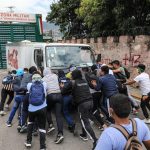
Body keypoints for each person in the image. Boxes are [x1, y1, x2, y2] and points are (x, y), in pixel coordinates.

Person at [71, 69, 97, 150]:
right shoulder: (85, 81)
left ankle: (95, 141)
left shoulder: (73, 82)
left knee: (85, 122)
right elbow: (92, 86)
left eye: (72, 74)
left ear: (74, 75)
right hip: (90, 101)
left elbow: (67, 90)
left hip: (83, 104)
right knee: (84, 118)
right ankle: (84, 134)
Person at [24, 72, 47, 150]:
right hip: (42, 108)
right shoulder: (44, 84)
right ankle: (42, 147)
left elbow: (29, 91)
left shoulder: (29, 85)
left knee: (30, 124)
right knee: (42, 127)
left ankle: (28, 142)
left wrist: (33, 79)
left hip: (31, 109)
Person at [42, 68, 64, 144]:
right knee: (59, 115)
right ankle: (60, 133)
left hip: (50, 95)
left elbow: (44, 90)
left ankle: (51, 125)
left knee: (48, 110)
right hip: (59, 95)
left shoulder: (43, 79)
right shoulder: (55, 75)